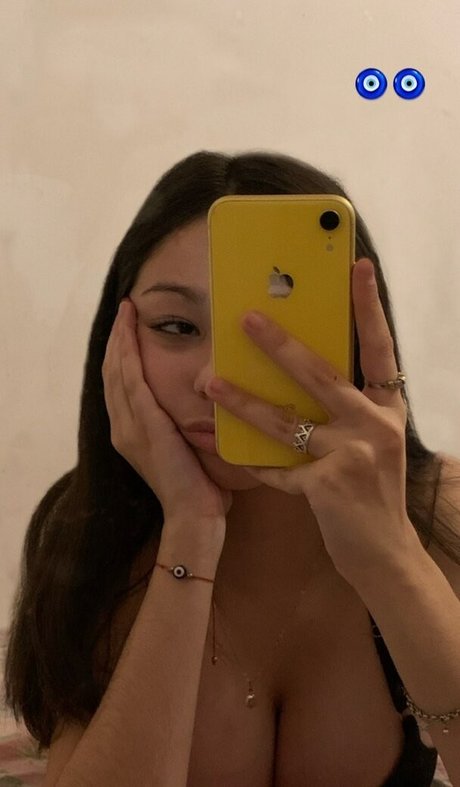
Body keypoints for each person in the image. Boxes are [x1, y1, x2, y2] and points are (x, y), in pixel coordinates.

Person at [4, 151, 460, 787]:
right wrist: (191, 530)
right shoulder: (92, 523)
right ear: (119, 340)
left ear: (357, 337)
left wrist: (388, 552)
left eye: (275, 331)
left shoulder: (441, 511)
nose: (215, 379)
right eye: (176, 326)